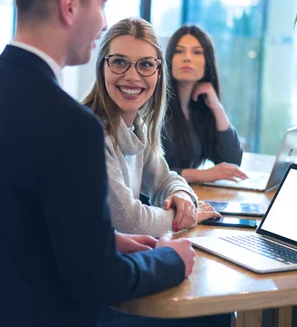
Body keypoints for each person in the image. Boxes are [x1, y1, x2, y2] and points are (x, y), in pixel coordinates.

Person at [0, 0, 197, 327]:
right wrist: (172, 259)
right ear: (70, 6)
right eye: (102, 4)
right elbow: (97, 280)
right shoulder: (72, 125)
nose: (101, 22)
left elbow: (12, 225)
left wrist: (102, 240)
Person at [83, 18, 220, 238]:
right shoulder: (90, 133)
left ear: (158, 73)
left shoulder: (137, 127)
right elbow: (131, 223)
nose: (132, 76)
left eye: (146, 64)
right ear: (102, 67)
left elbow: (165, 180)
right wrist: (186, 217)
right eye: (119, 62)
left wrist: (182, 194)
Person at [162, 25, 246, 184]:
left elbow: (232, 161)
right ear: (169, 59)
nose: (187, 58)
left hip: (189, 198)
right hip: (157, 204)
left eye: (196, 52)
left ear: (207, 63)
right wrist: (204, 175)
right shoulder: (156, 108)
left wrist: (217, 108)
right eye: (179, 51)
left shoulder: (198, 110)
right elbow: (150, 173)